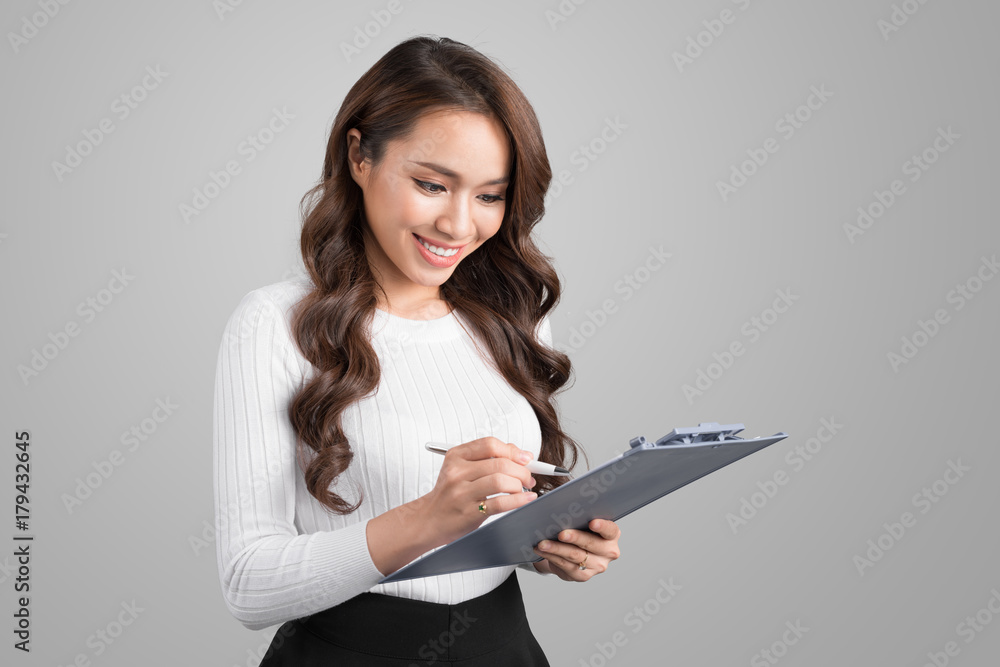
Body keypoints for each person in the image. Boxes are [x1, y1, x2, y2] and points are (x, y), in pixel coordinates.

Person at [213, 34, 623, 665]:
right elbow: (248, 584)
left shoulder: (513, 315)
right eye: (433, 184)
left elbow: (490, 529)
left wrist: (550, 543)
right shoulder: (273, 323)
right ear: (359, 156)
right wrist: (431, 517)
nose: (460, 226)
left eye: (490, 195)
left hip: (500, 646)